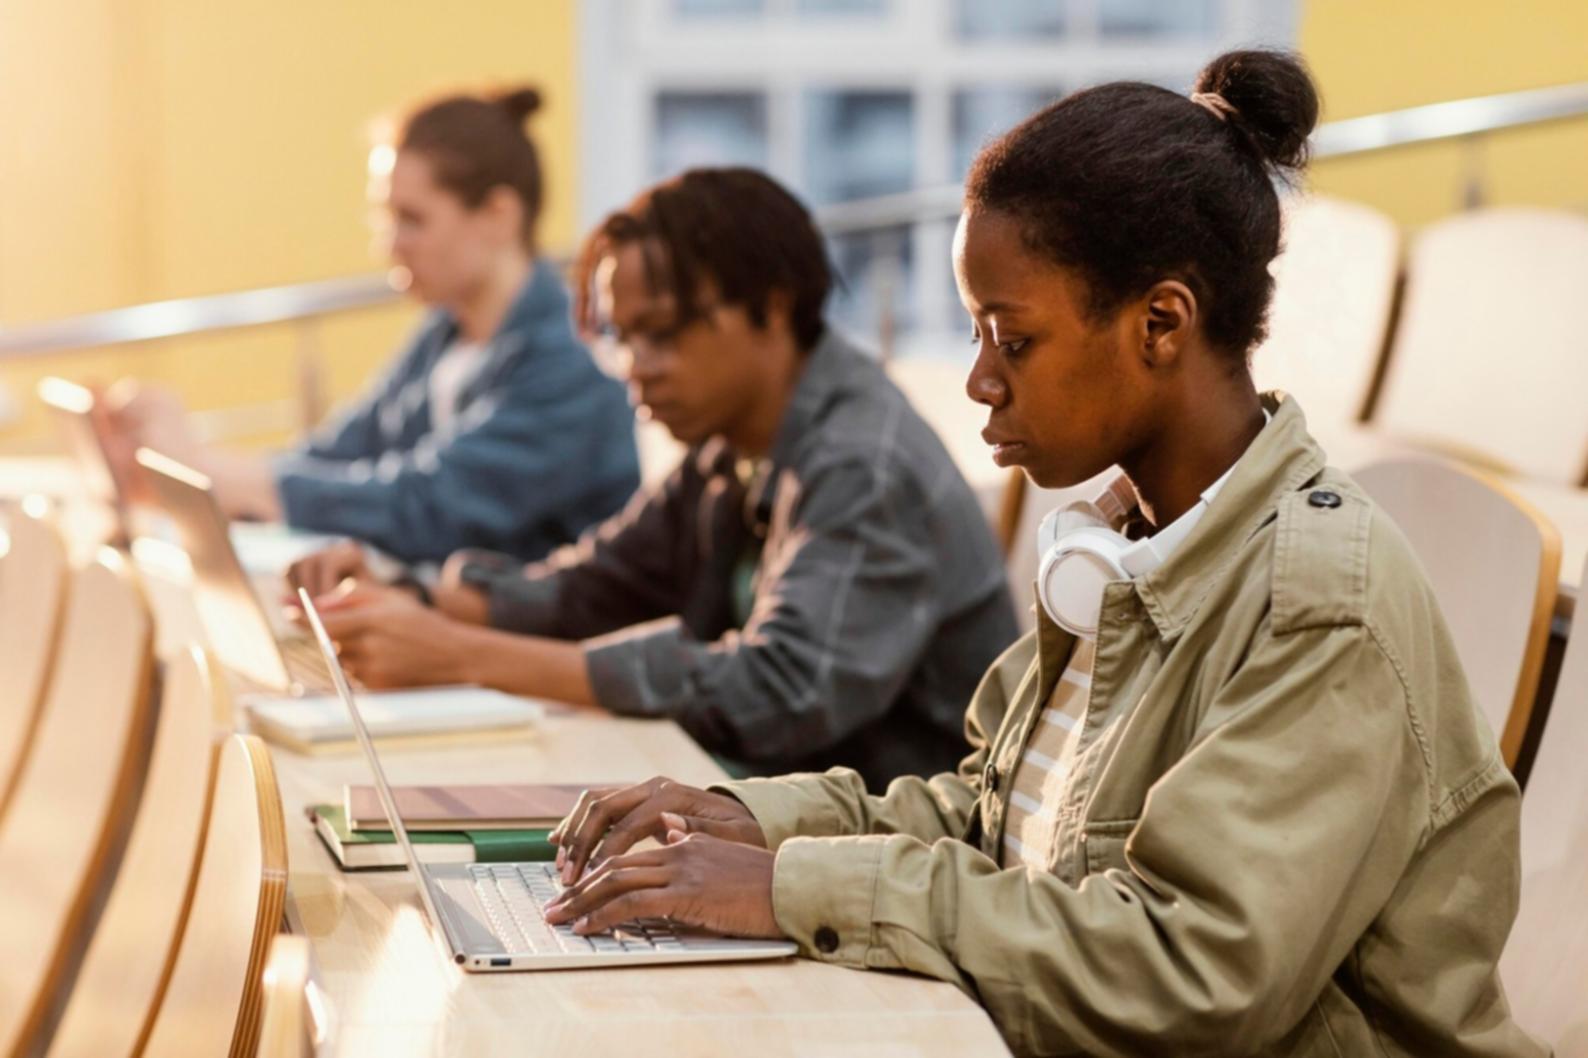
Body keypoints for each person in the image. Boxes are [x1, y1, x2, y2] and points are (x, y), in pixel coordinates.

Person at [536, 52, 1548, 1057]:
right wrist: (737, 821)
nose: (978, 378)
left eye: (1009, 339)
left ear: (1160, 323)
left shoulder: (1316, 601)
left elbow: (1187, 972)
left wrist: (789, 888)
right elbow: (989, 816)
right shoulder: (1126, 538)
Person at [287, 167, 1019, 787]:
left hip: (887, 865)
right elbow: (593, 585)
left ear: (771, 307)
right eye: (623, 337)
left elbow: (779, 693)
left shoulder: (864, 463)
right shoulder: (729, 442)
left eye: (663, 334)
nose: (637, 366)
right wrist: (401, 595)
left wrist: (460, 655)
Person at [108, 88, 639, 565]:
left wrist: (210, 472)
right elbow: (337, 453)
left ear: (498, 215)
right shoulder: (442, 335)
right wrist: (193, 471)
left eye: (412, 219)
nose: (388, 244)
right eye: (384, 219)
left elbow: (430, 504)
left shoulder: (573, 361)